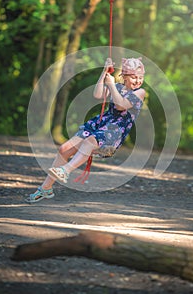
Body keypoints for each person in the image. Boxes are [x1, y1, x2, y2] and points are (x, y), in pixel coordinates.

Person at [26, 57, 146, 203]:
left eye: (140, 77)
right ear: (125, 76)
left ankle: (66, 170)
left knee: (89, 141)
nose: (138, 81)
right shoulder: (118, 87)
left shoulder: (140, 92)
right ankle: (46, 188)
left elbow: (121, 105)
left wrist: (112, 86)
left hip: (114, 131)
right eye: (134, 77)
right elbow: (98, 94)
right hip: (101, 123)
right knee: (64, 149)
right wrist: (104, 73)